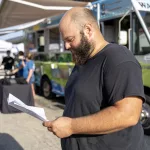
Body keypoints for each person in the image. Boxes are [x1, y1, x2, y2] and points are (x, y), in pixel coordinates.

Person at [43, 7, 148, 150]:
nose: (66, 46)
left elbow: (128, 114)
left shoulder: (118, 58)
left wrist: (71, 126)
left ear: (88, 30)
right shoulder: (83, 60)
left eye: (70, 39)